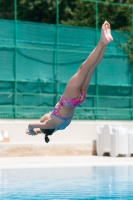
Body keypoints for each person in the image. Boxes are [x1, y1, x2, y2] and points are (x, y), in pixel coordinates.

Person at [26, 20, 113, 143]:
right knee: (84, 67)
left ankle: (105, 43)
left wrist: (38, 132)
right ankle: (102, 41)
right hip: (69, 99)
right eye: (43, 118)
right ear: (44, 122)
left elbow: (49, 130)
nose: (46, 114)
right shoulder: (49, 123)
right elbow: (31, 124)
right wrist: (32, 129)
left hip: (78, 99)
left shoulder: (59, 126)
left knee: (91, 68)